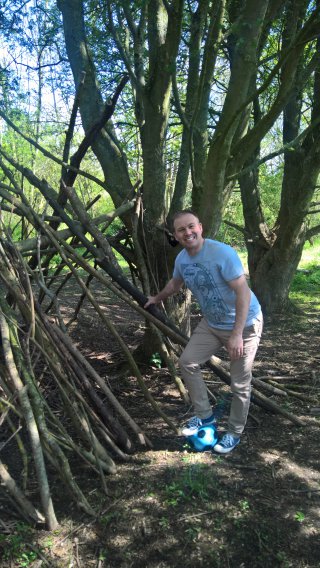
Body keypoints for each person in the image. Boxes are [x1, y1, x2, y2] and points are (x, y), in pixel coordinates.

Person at [145, 210, 263, 454]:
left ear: (201, 227)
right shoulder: (182, 260)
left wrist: (237, 334)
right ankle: (205, 417)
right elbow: (175, 284)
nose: (188, 233)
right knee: (187, 361)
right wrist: (156, 298)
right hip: (212, 324)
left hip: (245, 325)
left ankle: (233, 433)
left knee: (239, 383)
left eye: (191, 227)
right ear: (175, 235)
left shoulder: (222, 253)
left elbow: (243, 292)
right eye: (181, 230)